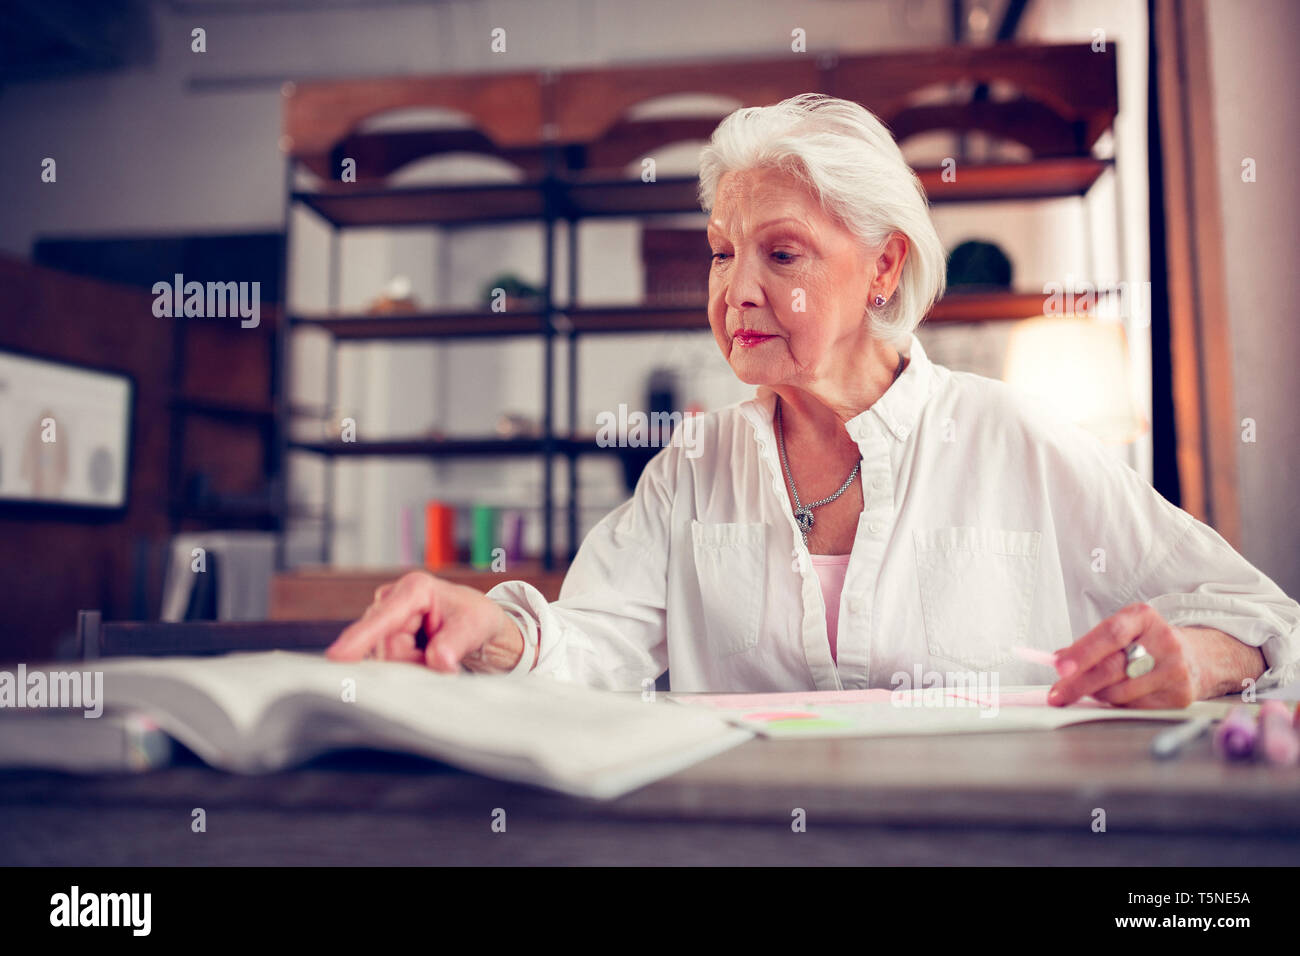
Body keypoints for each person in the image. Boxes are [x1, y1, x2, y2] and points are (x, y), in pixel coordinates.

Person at [326, 94, 1300, 707]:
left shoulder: (1014, 438)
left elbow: (1265, 617)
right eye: (719, 252)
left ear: (883, 267)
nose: (734, 290)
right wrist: (487, 624)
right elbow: (592, 643)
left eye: (780, 253)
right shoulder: (690, 470)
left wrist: (1198, 661)